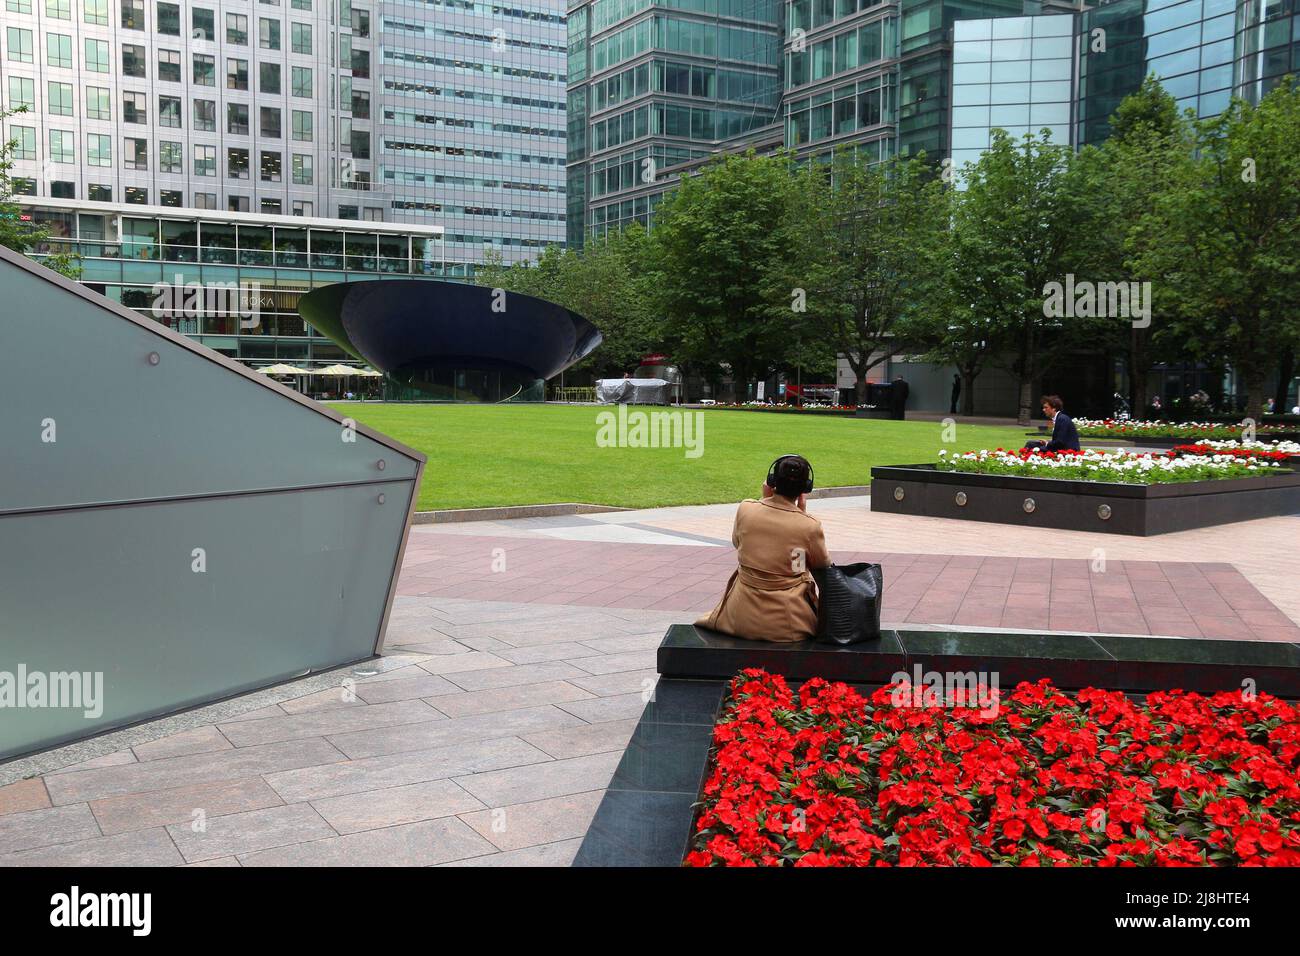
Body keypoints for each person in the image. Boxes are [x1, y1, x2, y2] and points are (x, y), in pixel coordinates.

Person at [696, 455, 831, 643]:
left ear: (771, 481)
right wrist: (801, 515)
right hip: (789, 624)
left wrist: (765, 501)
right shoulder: (809, 525)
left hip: (738, 616)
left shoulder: (746, 508)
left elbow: (738, 542)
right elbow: (821, 565)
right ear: (805, 489)